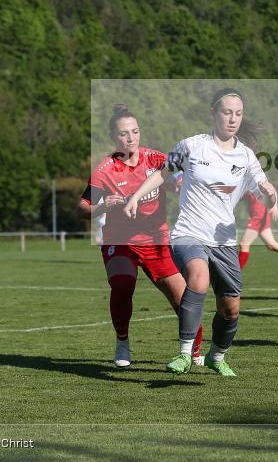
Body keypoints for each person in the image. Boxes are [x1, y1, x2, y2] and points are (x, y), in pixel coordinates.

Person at [124, 87, 278, 377]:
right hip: (188, 234)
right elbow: (162, 173)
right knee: (198, 278)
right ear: (213, 113)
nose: (232, 118)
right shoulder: (192, 145)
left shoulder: (246, 156)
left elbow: (264, 189)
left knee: (231, 308)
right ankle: (184, 353)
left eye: (238, 114)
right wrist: (135, 196)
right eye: (226, 112)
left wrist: (272, 196)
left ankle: (217, 356)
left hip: (224, 241)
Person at [78, 104, 203, 368]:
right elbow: (83, 208)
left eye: (135, 131)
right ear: (114, 137)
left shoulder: (156, 159)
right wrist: (104, 205)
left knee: (184, 301)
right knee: (123, 284)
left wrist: (180, 182)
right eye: (124, 134)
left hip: (156, 242)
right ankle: (122, 341)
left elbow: (176, 178)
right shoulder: (104, 170)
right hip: (120, 242)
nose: (131, 138)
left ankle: (194, 351)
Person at [238, 191, 278, 270]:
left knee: (244, 245)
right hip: (261, 216)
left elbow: (272, 191)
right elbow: (240, 196)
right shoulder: (247, 183)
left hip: (258, 217)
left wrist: (275, 206)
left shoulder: (258, 181)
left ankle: (234, 274)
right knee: (272, 245)